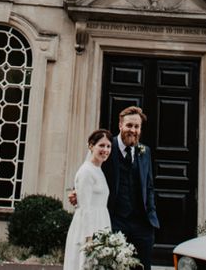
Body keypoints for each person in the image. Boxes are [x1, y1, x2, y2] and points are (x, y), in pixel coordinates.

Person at [68, 107, 159, 270]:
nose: (133, 130)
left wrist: (151, 213)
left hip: (142, 225)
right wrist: (78, 193)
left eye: (137, 127)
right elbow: (90, 171)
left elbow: (149, 186)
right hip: (115, 221)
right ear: (120, 125)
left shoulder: (145, 152)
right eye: (129, 125)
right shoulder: (107, 149)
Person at [63, 128, 113, 270]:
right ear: (91, 146)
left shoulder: (98, 169)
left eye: (108, 146)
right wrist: (89, 238)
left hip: (101, 222)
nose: (105, 150)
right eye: (101, 145)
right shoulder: (86, 171)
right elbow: (85, 207)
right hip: (88, 227)